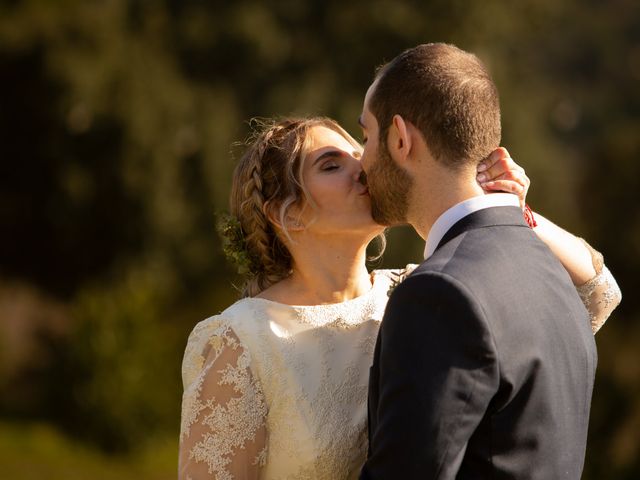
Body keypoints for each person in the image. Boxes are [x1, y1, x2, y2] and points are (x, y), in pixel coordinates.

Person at [178, 116, 620, 479]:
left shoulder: (421, 294)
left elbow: (596, 295)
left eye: (360, 153)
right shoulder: (242, 341)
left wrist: (508, 208)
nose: (362, 169)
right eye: (331, 166)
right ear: (287, 213)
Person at [358, 43, 620, 479]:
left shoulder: (438, 293)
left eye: (366, 136)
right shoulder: (552, 275)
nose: (360, 159)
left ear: (401, 139)